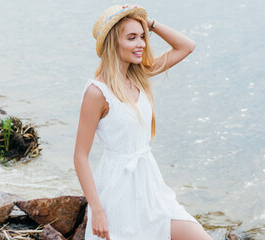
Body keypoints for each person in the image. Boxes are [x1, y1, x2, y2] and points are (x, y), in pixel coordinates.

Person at [73, 4, 211, 240]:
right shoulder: (97, 93)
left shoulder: (139, 75)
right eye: (132, 38)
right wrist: (97, 210)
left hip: (150, 186)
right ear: (113, 43)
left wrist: (150, 23)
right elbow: (80, 155)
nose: (141, 44)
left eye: (142, 37)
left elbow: (187, 46)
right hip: (118, 190)